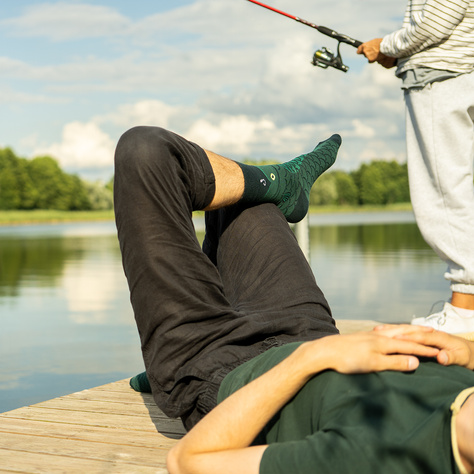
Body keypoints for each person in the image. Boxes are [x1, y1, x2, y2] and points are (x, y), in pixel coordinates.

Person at [114, 126, 474, 474]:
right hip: (308, 331)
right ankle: (286, 184)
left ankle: (172, 366)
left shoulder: (385, 458)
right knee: (242, 198)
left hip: (221, 370)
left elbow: (189, 463)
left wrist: (310, 359)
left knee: (146, 152)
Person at [357, 0, 474, 335]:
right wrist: (398, 52)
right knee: (454, 186)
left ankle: (466, 310)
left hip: (440, 79)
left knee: (443, 190)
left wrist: (386, 45)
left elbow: (436, 23)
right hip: (458, 72)